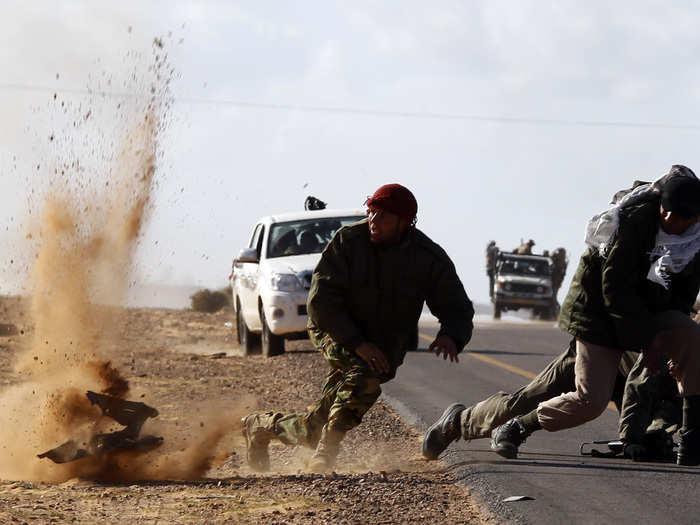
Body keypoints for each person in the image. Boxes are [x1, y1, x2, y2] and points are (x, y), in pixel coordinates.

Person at [241, 183, 475, 471]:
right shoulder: (348, 241)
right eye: (371, 212)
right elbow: (321, 302)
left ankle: (262, 426)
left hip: (383, 342)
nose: (373, 222)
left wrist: (451, 334)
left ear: (405, 222)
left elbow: (457, 305)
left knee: (313, 427)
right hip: (333, 328)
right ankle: (326, 455)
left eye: (383, 217)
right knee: (365, 376)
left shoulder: (427, 257)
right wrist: (356, 342)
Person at [484, 165, 700, 466]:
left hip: (648, 315)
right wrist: (650, 339)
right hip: (599, 314)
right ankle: (517, 427)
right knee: (590, 401)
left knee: (691, 335)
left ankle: (691, 440)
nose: (667, 218)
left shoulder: (695, 243)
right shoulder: (636, 222)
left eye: (677, 216)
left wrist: (669, 341)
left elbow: (683, 295)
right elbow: (615, 288)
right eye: (664, 210)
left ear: (695, 219)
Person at [422, 342, 679, 462]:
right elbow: (646, 386)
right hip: (600, 346)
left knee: (653, 440)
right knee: (524, 404)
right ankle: (457, 421)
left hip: (639, 378)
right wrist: (639, 434)